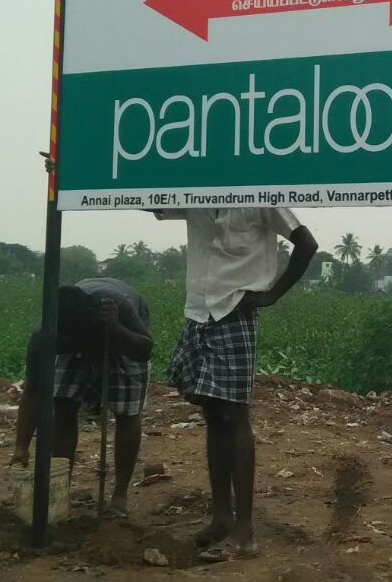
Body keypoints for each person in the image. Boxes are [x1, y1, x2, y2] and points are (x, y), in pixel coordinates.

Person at [156, 208, 318, 563]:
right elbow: (150, 199)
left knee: (234, 415)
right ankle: (221, 519)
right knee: (213, 414)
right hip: (198, 311)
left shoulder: (259, 197)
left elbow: (306, 243)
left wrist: (274, 294)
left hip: (235, 312)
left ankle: (244, 531)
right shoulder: (193, 195)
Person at [10, 278, 154, 517]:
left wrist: (117, 328)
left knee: (126, 411)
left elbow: (145, 349)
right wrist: (20, 447)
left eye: (74, 341)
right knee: (63, 404)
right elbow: (33, 391)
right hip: (82, 333)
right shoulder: (44, 335)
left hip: (121, 336)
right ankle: (60, 488)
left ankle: (119, 497)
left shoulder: (116, 305)